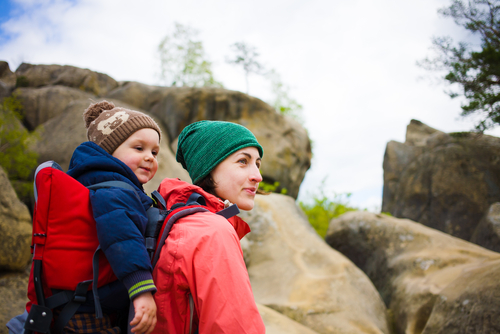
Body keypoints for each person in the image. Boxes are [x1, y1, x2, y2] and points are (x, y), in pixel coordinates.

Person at [152, 120, 266, 334]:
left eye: (257, 164)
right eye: (243, 161)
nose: (257, 176)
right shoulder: (212, 231)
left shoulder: (184, 221)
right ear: (209, 167)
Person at [64, 101, 160, 334]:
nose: (150, 157)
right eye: (139, 148)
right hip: (88, 309)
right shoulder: (114, 191)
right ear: (109, 151)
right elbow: (122, 239)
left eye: (154, 152)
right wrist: (142, 291)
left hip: (85, 300)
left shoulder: (103, 182)